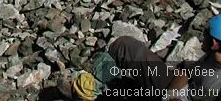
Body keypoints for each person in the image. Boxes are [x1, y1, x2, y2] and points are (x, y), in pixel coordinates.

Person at [64, 14, 221, 99]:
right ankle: (87, 91)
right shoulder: (210, 57)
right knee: (124, 47)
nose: (202, 37)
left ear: (214, 43)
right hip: (174, 91)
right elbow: (186, 71)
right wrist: (170, 96)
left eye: (206, 34)